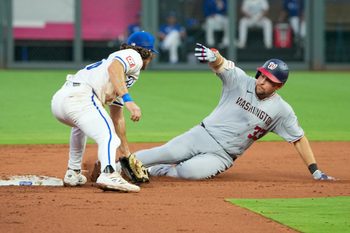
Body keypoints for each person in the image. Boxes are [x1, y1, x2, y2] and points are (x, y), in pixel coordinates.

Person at [124, 43, 335, 182]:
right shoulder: (241, 80)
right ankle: (113, 167)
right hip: (202, 134)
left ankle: (155, 171)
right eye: (261, 75)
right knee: (167, 153)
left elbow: (298, 138)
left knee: (188, 173)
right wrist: (213, 56)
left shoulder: (281, 111)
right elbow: (222, 63)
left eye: (269, 80)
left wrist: (315, 170)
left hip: (223, 155)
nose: (262, 81)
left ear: (278, 86)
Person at [51, 31, 158, 192]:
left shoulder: (120, 80)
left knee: (81, 128)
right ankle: (109, 174)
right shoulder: (133, 56)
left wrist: (126, 154)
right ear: (148, 52)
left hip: (61, 101)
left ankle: (73, 172)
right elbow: (114, 68)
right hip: (81, 97)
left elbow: (117, 118)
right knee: (108, 136)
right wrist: (128, 100)